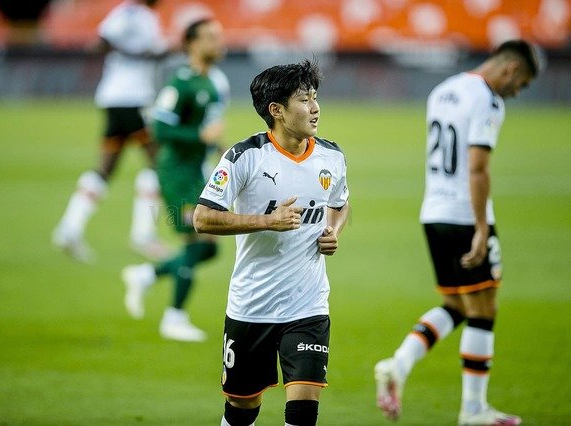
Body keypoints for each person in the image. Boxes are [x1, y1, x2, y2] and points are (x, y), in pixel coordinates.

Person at [375, 40, 540, 426]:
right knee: (484, 309)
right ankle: (474, 409)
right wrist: (482, 228)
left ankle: (399, 364)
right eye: (522, 84)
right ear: (512, 69)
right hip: (465, 215)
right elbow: (477, 168)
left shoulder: (443, 90)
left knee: (458, 305)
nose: (517, 92)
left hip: (434, 212)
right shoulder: (488, 100)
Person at [193, 59, 350, 426]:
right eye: (304, 100)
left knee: (304, 408)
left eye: (315, 97)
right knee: (242, 407)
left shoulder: (332, 156)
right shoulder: (244, 157)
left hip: (308, 305)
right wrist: (268, 221)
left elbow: (340, 203)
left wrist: (333, 231)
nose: (315, 108)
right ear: (276, 110)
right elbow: (202, 218)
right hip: (252, 305)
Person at [121, 18, 229, 342]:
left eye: (219, 36)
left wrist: (219, 149)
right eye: (211, 37)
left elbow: (207, 130)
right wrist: (199, 136)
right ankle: (174, 318)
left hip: (195, 172)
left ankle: (146, 275)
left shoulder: (212, 83)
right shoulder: (180, 84)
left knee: (208, 248)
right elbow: (160, 129)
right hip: (175, 173)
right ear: (192, 43)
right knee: (198, 240)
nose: (218, 42)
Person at [52, 0, 169, 263]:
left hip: (115, 98)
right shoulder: (131, 13)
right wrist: (138, 53)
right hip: (132, 99)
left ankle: (69, 228)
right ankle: (144, 235)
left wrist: (156, 52)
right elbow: (101, 41)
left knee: (106, 167)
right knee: (160, 162)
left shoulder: (141, 15)